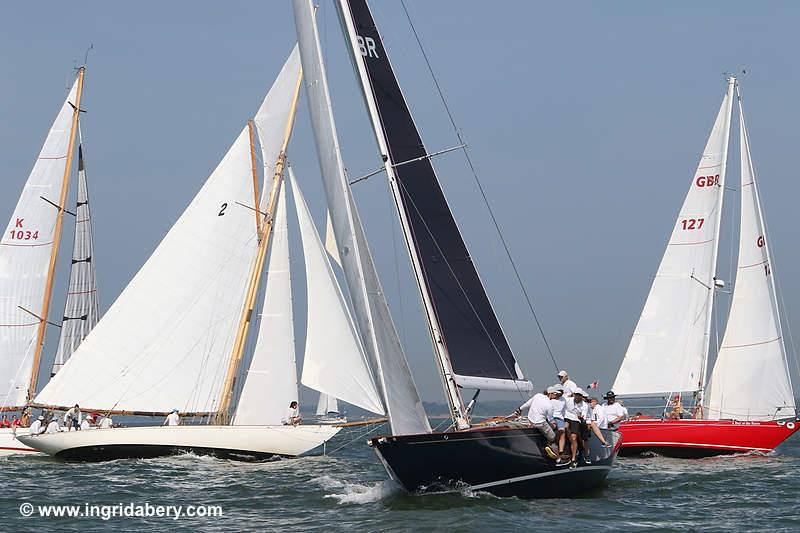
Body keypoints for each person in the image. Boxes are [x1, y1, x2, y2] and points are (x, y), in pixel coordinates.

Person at [516, 387, 559, 459]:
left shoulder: (537, 395)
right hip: (540, 423)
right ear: (551, 394)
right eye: (556, 394)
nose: (557, 396)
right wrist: (554, 425)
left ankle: (547, 445)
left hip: (530, 419)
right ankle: (556, 457)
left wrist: (519, 409)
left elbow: (528, 404)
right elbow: (551, 420)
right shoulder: (550, 405)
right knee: (553, 437)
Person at [565, 388, 592, 467]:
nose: (577, 396)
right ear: (574, 395)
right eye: (576, 394)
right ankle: (573, 457)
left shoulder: (585, 406)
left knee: (585, 438)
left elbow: (584, 416)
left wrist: (581, 418)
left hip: (579, 420)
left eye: (579, 395)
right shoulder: (568, 400)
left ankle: (586, 455)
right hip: (568, 418)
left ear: (582, 396)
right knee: (569, 432)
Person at [550, 385, 568, 465]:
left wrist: (564, 420)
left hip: (560, 418)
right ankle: (553, 446)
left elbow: (563, 411)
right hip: (552, 417)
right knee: (554, 431)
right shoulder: (551, 399)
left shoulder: (563, 399)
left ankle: (560, 451)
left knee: (562, 431)